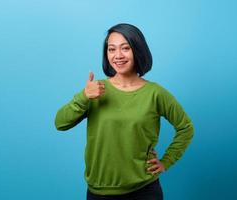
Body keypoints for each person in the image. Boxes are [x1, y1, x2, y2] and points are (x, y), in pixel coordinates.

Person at [54, 23, 194, 200]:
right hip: (100, 192)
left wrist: (166, 161)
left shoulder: (155, 93)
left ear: (138, 50)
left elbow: (186, 128)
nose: (118, 55)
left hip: (145, 190)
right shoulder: (95, 90)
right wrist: (83, 96)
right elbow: (60, 123)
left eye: (125, 48)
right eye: (111, 49)